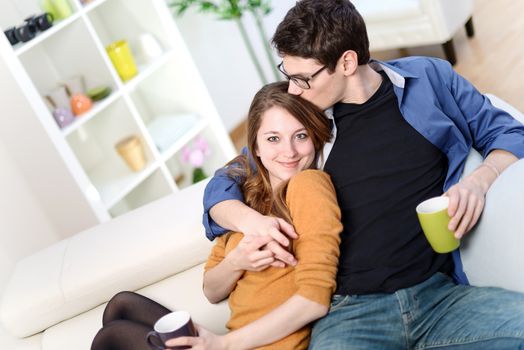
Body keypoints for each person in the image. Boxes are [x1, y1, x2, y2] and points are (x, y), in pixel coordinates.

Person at [202, 0, 524, 349]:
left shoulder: (429, 80)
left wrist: (479, 181)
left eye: (302, 79)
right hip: (350, 312)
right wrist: (252, 222)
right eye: (288, 76)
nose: (293, 89)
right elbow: (223, 184)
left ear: (347, 62)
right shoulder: (304, 122)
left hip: (441, 297)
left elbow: (508, 132)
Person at [91, 81, 343, 350]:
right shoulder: (244, 200)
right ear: (254, 147)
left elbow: (314, 300)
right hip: (232, 341)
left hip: (249, 345)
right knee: (122, 305)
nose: (289, 151)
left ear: (314, 137)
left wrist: (223, 344)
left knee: (112, 337)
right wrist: (238, 261)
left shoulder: (309, 185)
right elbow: (211, 291)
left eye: (301, 136)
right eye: (273, 139)